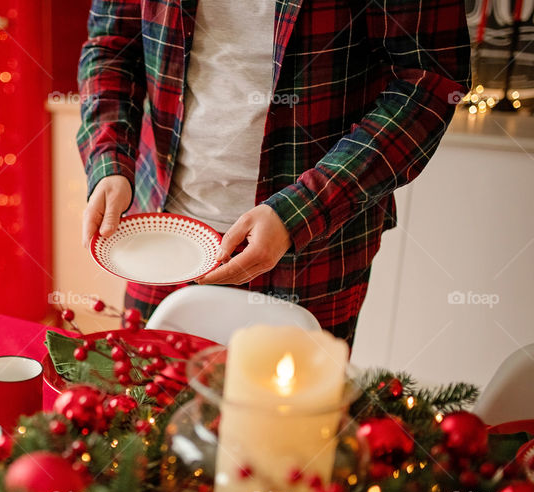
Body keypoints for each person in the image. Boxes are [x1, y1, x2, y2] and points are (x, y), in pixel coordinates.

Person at [77, 0, 471, 345]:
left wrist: (302, 210)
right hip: (159, 237)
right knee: (144, 414)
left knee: (291, 424)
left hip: (314, 246)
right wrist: (110, 160)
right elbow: (111, 48)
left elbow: (429, 81)